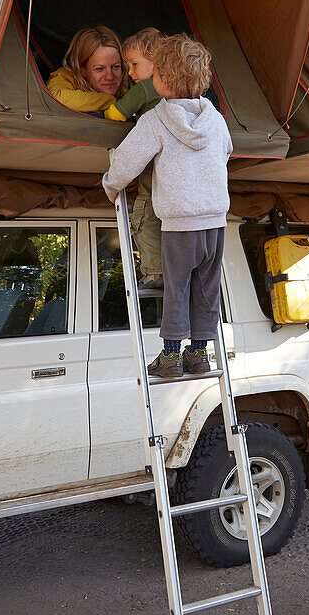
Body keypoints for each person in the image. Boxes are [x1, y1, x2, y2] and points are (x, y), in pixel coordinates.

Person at [102, 33, 232, 378]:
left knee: (176, 289)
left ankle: (171, 356)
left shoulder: (156, 120)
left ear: (162, 81)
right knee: (206, 289)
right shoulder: (216, 120)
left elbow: (128, 159)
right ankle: (200, 354)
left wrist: (111, 184)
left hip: (179, 224)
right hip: (215, 222)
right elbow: (227, 151)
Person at [103, 27, 166, 292]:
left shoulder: (144, 88)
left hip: (153, 162)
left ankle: (154, 272)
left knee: (146, 212)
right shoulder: (183, 92)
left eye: (134, 64)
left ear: (157, 61)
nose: (130, 72)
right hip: (177, 165)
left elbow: (115, 115)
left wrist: (106, 107)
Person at [47, 25, 128, 113]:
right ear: (82, 69)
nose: (110, 77)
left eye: (116, 67)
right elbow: (54, 98)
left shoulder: (132, 77)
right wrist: (110, 102)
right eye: (100, 69)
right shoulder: (65, 77)